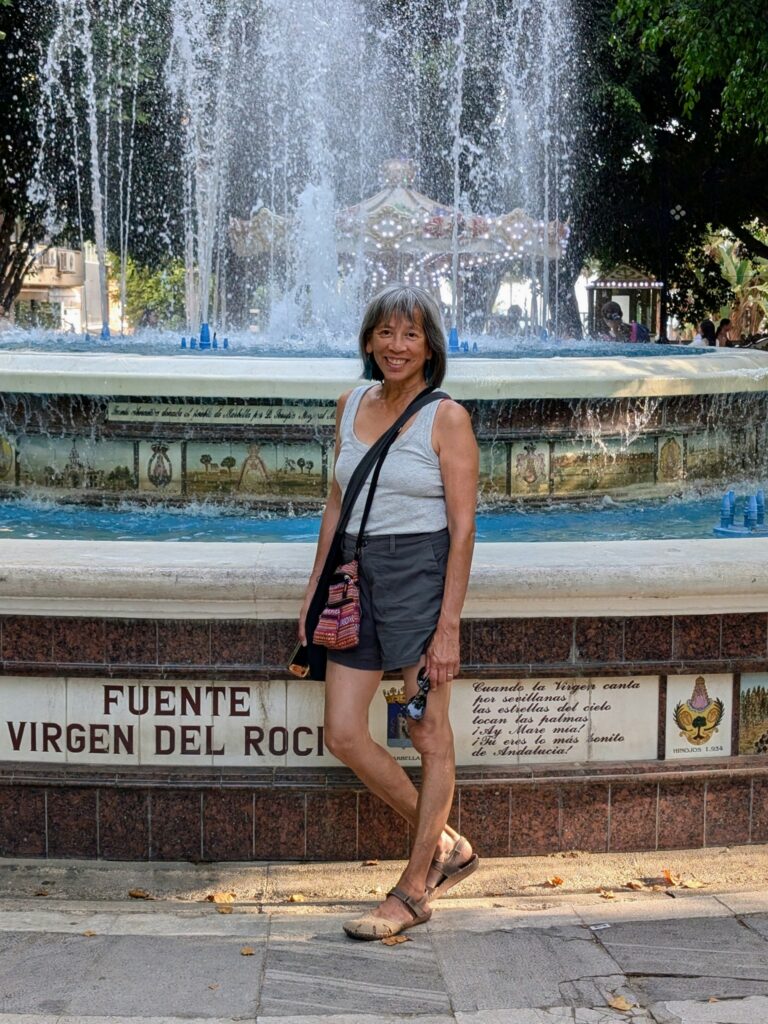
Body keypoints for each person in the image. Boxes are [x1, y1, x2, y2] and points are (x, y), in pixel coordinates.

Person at [298, 283, 479, 940]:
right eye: (385, 333)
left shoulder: (446, 418)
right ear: (369, 341)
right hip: (354, 581)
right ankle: (446, 846)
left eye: (411, 334)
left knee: (428, 734)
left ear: (430, 347)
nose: (397, 346)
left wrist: (448, 628)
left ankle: (412, 890)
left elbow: (462, 530)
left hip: (418, 580)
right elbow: (333, 503)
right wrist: (315, 589)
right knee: (343, 733)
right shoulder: (350, 405)